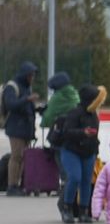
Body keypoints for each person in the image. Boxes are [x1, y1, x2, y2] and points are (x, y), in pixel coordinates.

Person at [58, 85, 105, 224]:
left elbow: (95, 134)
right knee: (74, 177)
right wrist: (83, 132)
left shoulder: (93, 114)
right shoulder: (75, 113)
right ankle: (67, 208)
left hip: (88, 152)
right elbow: (66, 132)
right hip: (71, 151)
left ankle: (84, 211)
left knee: (86, 181)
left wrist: (96, 152)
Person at [41, 71, 80, 210]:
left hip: (59, 135)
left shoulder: (58, 97)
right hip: (74, 135)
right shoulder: (75, 94)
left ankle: (64, 187)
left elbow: (48, 118)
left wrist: (44, 116)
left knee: (60, 160)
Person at [3, 61, 39, 196]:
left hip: (26, 128)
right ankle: (12, 185)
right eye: (30, 75)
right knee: (16, 156)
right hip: (15, 127)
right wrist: (27, 100)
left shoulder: (26, 87)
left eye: (33, 75)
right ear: (25, 75)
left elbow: (27, 107)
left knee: (24, 157)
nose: (32, 78)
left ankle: (20, 184)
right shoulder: (12, 87)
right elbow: (10, 104)